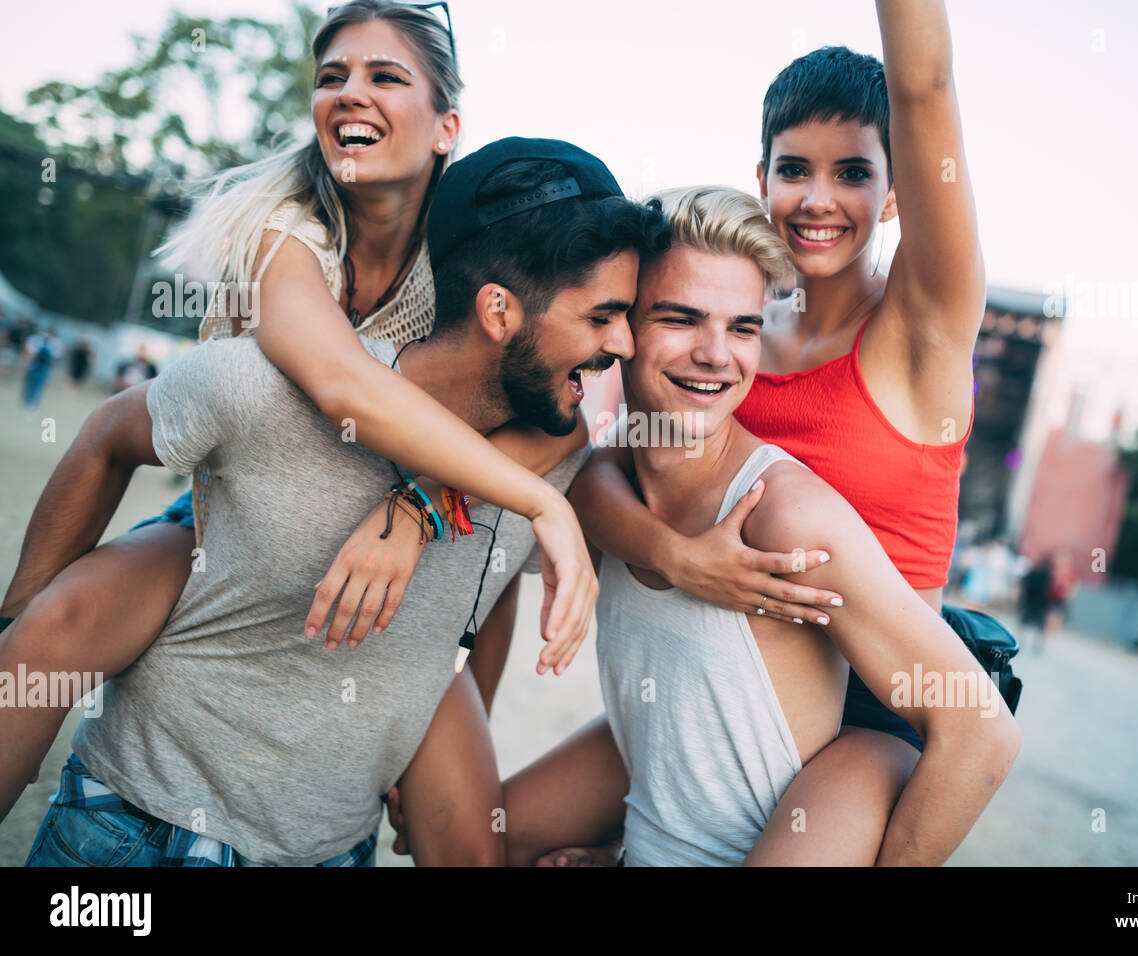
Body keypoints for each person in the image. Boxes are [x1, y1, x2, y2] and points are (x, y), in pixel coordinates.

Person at [0, 1, 597, 823]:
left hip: (422, 514)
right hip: (249, 506)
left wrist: (422, 505)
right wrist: (18, 605)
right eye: (331, 78)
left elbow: (550, 408)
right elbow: (341, 386)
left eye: (386, 76)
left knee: (463, 804)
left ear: (445, 126)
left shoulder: (465, 246)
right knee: (45, 637)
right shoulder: (287, 230)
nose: (351, 92)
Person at [18, 138, 670, 867]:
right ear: (497, 311)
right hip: (134, 833)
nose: (625, 343)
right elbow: (106, 435)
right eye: (603, 316)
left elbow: (483, 590)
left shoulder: (557, 454)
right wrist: (21, 613)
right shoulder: (265, 389)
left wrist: (424, 517)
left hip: (334, 852)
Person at [533, 0, 1000, 865]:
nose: (819, 199)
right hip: (728, 683)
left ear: (895, 191)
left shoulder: (922, 327)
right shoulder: (732, 339)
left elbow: (925, 86)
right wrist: (673, 558)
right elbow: (605, 470)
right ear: (762, 178)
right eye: (795, 169)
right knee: (491, 830)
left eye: (853, 172)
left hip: (872, 712)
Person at [20, 328, 61, 410]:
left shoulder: (55, 343)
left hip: (44, 367)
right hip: (33, 365)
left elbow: (56, 354)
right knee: (29, 383)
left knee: (39, 386)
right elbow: (29, 351)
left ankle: (33, 403)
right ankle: (25, 400)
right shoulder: (35, 339)